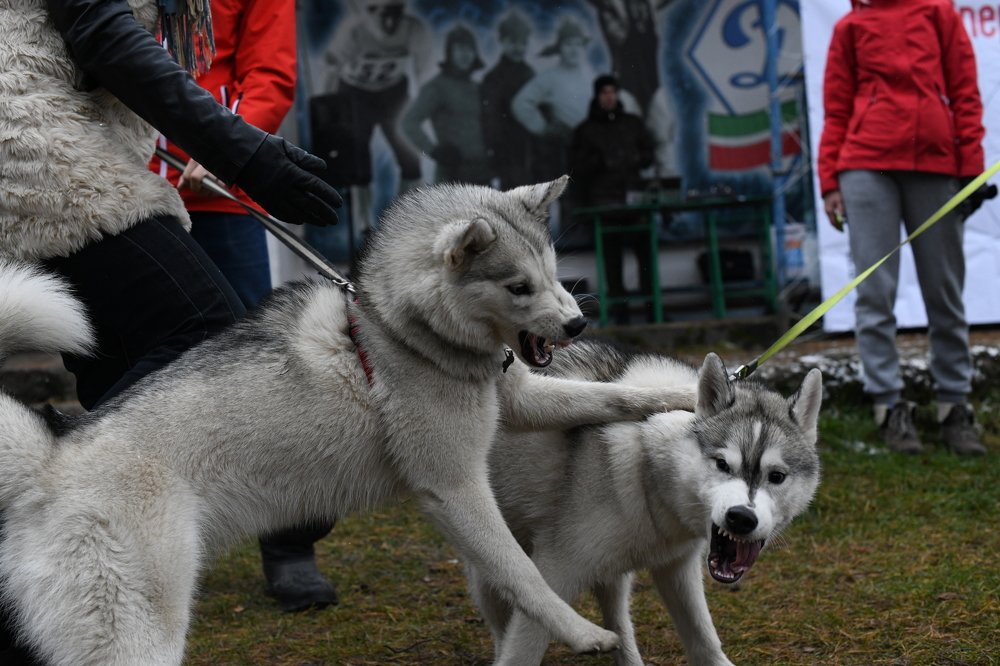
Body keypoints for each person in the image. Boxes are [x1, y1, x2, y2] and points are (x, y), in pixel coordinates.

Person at [0, 0, 342, 661]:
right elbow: (98, 28)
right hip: (35, 145)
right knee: (206, 341)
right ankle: (29, 497)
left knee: (128, 373)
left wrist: (238, 146)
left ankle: (40, 616)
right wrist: (243, 152)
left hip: (89, 139)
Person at [148, 0, 338, 612]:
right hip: (130, 192)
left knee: (263, 371)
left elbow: (271, 75)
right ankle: (144, 539)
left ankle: (288, 543)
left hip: (218, 194)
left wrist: (228, 150)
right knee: (138, 365)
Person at [817, 0, 986, 456]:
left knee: (944, 291)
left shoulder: (939, 14)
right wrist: (830, 181)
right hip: (865, 165)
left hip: (935, 163)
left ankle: (954, 406)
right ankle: (888, 407)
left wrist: (970, 170)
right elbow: (835, 110)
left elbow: (965, 91)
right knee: (875, 293)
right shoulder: (851, 26)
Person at [568, 74, 656, 324]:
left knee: (646, 260)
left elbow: (648, 152)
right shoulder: (586, 131)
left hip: (633, 200)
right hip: (604, 205)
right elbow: (577, 168)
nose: (609, 97)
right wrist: (600, 161)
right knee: (613, 263)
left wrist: (635, 159)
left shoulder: (632, 124)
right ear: (597, 96)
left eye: (612, 92)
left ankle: (652, 311)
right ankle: (622, 315)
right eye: (604, 92)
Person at [401, 24, 491, 185]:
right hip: (452, 173)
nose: (465, 55)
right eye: (459, 49)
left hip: (481, 172)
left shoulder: (478, 88)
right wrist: (434, 151)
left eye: (469, 49)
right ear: (450, 53)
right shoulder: (436, 87)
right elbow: (409, 122)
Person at [512, 17, 595, 182]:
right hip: (567, 149)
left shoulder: (590, 75)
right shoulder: (550, 77)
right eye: (568, 44)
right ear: (560, 48)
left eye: (578, 44)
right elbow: (520, 103)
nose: (574, 50)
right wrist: (543, 128)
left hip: (592, 148)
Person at [481, 11, 536, 189]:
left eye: (523, 43)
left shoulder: (531, 75)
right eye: (513, 42)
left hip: (532, 154)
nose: (518, 48)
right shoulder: (493, 78)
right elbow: (490, 121)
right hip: (507, 156)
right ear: (502, 42)